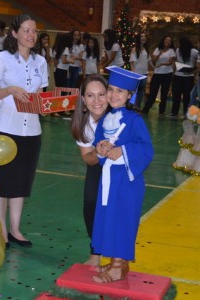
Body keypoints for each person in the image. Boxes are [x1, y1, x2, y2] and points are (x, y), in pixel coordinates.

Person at [0, 14, 48, 248]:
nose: (31, 35)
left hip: (31, 131)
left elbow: (41, 97)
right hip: (5, 129)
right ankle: (1, 231)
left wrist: (52, 104)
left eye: (34, 31)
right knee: (3, 183)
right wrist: (9, 90)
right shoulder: (2, 59)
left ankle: (16, 230)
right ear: (14, 34)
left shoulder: (41, 62)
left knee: (22, 182)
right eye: (26, 30)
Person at [92, 66, 154, 283]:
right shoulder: (106, 118)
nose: (113, 95)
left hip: (127, 181)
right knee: (110, 218)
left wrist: (122, 151)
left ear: (130, 95)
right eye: (110, 89)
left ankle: (118, 266)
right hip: (109, 180)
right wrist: (100, 149)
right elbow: (98, 142)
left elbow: (146, 149)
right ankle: (118, 262)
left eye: (120, 91)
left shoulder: (135, 121)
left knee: (123, 220)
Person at [71, 74, 109, 266]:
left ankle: (119, 258)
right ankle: (96, 253)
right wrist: (99, 153)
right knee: (91, 204)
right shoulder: (83, 124)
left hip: (121, 169)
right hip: (98, 164)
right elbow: (87, 157)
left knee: (117, 209)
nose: (97, 100)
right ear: (84, 100)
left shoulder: (121, 118)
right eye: (91, 95)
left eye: (101, 94)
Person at [141, 35, 175, 115]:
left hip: (167, 74)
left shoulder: (171, 51)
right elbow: (153, 61)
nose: (167, 41)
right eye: (166, 40)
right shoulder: (157, 49)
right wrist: (159, 54)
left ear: (171, 43)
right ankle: (146, 109)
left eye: (169, 40)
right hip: (157, 73)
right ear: (163, 41)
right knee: (153, 92)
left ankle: (161, 111)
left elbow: (170, 62)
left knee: (164, 93)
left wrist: (161, 63)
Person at [169, 37, 199, 118]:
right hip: (178, 75)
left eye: (180, 43)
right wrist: (174, 72)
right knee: (176, 95)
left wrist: (193, 72)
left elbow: (198, 63)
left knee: (187, 96)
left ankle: (186, 113)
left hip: (188, 76)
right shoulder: (178, 50)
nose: (179, 45)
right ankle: (174, 112)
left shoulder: (194, 51)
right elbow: (175, 62)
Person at [129, 32, 152, 109]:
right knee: (134, 90)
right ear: (139, 38)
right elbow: (132, 61)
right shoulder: (134, 49)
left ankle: (138, 106)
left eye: (145, 36)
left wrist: (154, 67)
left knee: (141, 91)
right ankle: (132, 105)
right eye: (141, 36)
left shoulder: (146, 50)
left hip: (144, 73)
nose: (143, 37)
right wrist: (133, 71)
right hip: (136, 73)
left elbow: (149, 61)